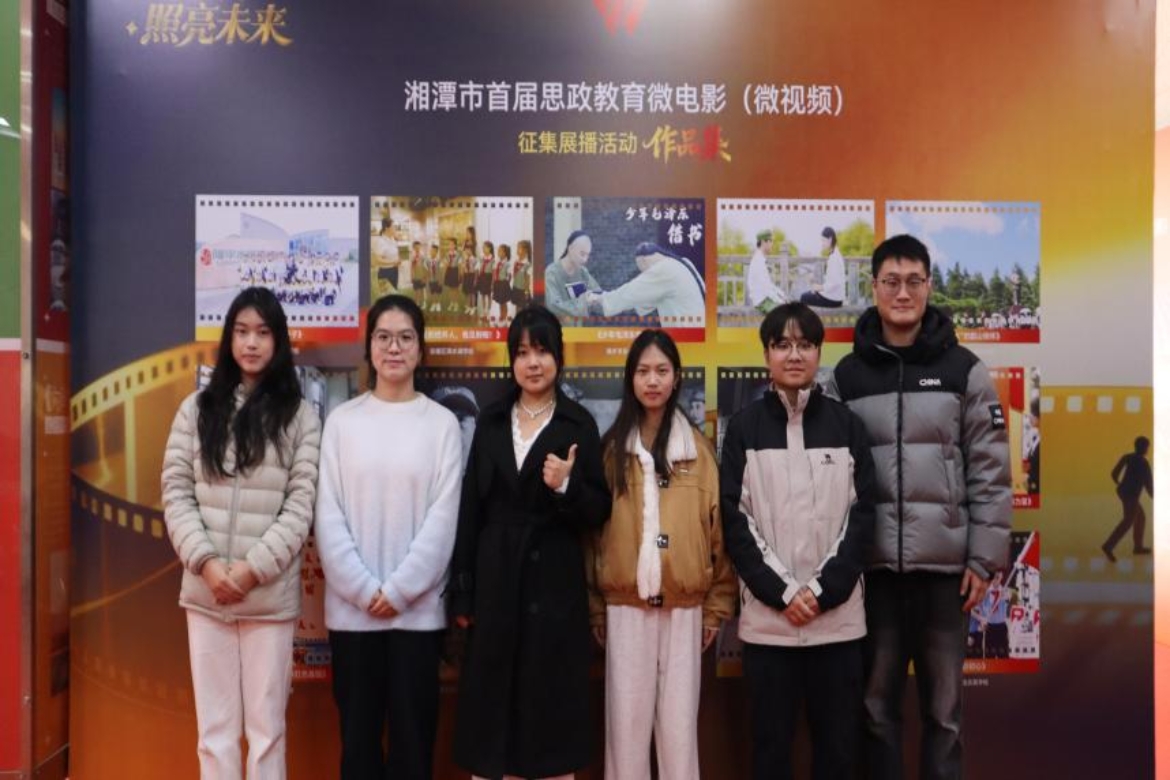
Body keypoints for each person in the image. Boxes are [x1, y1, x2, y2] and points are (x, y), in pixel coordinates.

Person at [830, 234, 1012, 780]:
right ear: (874, 287)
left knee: (945, 715)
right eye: (892, 281)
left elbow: (991, 470)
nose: (903, 293)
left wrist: (982, 559)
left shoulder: (964, 370)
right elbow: (828, 478)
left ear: (929, 286)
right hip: (873, 573)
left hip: (945, 575)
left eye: (914, 281)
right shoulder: (847, 376)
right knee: (875, 710)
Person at [161, 286, 321, 779]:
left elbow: (301, 504)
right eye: (242, 331)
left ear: (279, 341)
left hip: (267, 599)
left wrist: (253, 570)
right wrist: (207, 565)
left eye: (263, 333)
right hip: (206, 595)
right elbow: (175, 492)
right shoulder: (196, 410)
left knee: (267, 733)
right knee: (214, 734)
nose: (251, 343)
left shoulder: (300, 417)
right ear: (229, 338)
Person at [449, 305, 612, 780]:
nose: (533, 363)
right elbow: (470, 509)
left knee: (548, 718)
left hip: (553, 583)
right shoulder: (492, 420)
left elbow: (599, 511)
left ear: (558, 357)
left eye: (542, 351)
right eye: (522, 353)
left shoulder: (578, 423)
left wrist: (566, 486)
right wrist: (464, 591)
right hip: (496, 580)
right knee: (493, 713)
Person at [721, 302, 876, 780]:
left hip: (838, 627)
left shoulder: (847, 426)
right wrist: (785, 593)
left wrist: (822, 591)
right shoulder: (743, 429)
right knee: (770, 753)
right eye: (782, 344)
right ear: (766, 354)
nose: (794, 355)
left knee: (838, 753)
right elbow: (736, 521)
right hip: (770, 627)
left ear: (818, 353)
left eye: (805, 344)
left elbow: (862, 518)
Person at [314, 294, 463, 780]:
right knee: (358, 749)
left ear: (420, 349)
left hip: (416, 619)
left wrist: (399, 591)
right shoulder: (342, 422)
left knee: (413, 750)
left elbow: (443, 520)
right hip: (352, 618)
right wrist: (363, 590)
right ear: (369, 348)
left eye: (405, 337)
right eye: (383, 337)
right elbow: (327, 514)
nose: (394, 348)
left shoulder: (441, 425)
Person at [589, 329, 734, 780]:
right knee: (625, 734)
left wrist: (715, 608)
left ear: (676, 378)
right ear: (630, 379)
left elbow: (719, 535)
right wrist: (596, 607)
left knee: (678, 734)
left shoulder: (699, 452)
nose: (652, 381)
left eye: (662, 371)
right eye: (643, 371)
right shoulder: (610, 452)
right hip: (625, 608)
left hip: (685, 609)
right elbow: (592, 538)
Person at [585, 242, 706, 327]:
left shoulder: (664, 269)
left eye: (643, 271)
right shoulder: (683, 264)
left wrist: (599, 298)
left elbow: (630, 292)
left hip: (688, 341)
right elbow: (642, 302)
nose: (644, 275)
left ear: (643, 260)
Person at [1102, 435, 1153, 561]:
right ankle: (1108, 546)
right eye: (1146, 447)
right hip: (1132, 495)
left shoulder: (1127, 457)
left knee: (1140, 517)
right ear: (1144, 447)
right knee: (1128, 520)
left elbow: (1114, 474)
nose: (1147, 449)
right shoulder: (1144, 463)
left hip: (1123, 492)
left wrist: (1121, 485)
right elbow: (1149, 485)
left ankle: (1138, 547)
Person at [545, 230, 602, 322]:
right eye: (582, 254)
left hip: (579, 328)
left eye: (587, 255)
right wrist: (584, 302)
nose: (585, 260)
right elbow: (554, 305)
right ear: (570, 248)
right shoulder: (552, 273)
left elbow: (597, 293)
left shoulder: (583, 272)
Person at [800, 226, 845, 308]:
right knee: (809, 294)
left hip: (833, 299)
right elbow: (832, 280)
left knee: (804, 297)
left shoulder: (834, 257)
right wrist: (818, 287)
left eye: (823, 240)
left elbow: (835, 283)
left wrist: (819, 287)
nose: (822, 243)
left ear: (830, 239)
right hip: (835, 297)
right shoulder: (835, 254)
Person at [745, 229, 786, 313]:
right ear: (763, 242)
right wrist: (780, 301)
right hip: (762, 302)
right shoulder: (758, 261)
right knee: (786, 313)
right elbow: (766, 289)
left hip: (766, 299)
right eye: (770, 241)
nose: (772, 244)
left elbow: (769, 285)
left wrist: (783, 295)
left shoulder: (760, 259)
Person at [371, 218, 401, 293]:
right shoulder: (380, 241)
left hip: (394, 270)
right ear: (387, 228)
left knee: (394, 292)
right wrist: (393, 262)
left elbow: (395, 253)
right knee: (386, 295)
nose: (395, 229)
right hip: (385, 272)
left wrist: (397, 260)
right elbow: (378, 260)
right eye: (393, 226)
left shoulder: (392, 239)